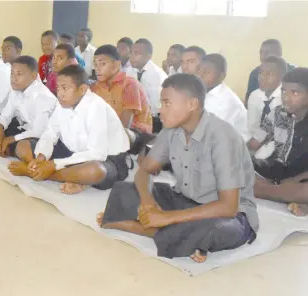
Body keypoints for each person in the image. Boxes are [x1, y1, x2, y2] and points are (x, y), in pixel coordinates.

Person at [99, 73, 259, 263]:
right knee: (123, 190)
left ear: (192, 104)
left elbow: (228, 207)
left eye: (167, 103)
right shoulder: (171, 129)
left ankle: (135, 226)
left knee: (219, 230)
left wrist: (167, 217)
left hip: (225, 214)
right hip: (185, 200)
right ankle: (182, 239)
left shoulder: (223, 137)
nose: (160, 110)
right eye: (161, 103)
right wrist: (148, 201)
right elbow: (145, 170)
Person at [9, 65, 130, 195]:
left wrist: (54, 164)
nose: (59, 93)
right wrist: (41, 157)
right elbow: (50, 133)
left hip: (105, 158)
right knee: (23, 145)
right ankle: (39, 168)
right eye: (58, 88)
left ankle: (38, 173)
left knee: (96, 171)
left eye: (65, 88)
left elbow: (97, 153)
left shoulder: (96, 107)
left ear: (82, 89)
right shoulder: (63, 103)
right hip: (71, 152)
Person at [0, 56, 56, 158]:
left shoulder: (43, 97)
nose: (13, 78)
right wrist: (0, 128)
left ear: (33, 76)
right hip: (22, 129)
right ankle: (0, 146)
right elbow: (6, 114)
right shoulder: (17, 89)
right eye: (12, 73)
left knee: (23, 148)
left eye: (19, 74)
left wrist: (12, 139)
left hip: (41, 136)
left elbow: (38, 132)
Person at [249, 68, 308, 217]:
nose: (286, 98)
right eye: (283, 91)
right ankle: (279, 193)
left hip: (301, 178)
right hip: (277, 171)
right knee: (236, 163)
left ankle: (263, 190)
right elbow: (254, 144)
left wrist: (291, 181)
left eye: (295, 93)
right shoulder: (277, 113)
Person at [91, 44, 153, 134]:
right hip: (108, 130)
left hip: (135, 134)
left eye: (102, 64)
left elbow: (124, 125)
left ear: (116, 64)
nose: (97, 69)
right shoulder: (95, 87)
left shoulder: (130, 84)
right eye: (95, 64)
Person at [196, 53, 250, 141]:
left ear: (222, 76)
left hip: (231, 146)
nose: (200, 75)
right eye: (199, 70)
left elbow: (213, 134)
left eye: (206, 72)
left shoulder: (227, 102)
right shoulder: (202, 91)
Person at [127, 38, 168, 133]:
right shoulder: (128, 71)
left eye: (136, 53)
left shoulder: (159, 76)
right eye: (131, 53)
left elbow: (157, 105)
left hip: (154, 120)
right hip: (133, 117)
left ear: (149, 56)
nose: (132, 57)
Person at [247, 56, 287, 138]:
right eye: (261, 72)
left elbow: (282, 136)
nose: (262, 77)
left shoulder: (286, 99)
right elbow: (252, 128)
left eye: (270, 74)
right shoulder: (255, 95)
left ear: (282, 77)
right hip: (257, 143)